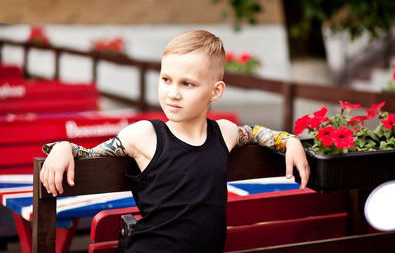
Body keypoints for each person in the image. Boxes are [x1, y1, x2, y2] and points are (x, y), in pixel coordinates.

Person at [40, 29, 310, 253]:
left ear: (215, 91)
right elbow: (89, 155)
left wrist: (289, 141)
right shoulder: (145, 135)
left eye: (187, 84)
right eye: (166, 79)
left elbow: (252, 132)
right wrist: (63, 147)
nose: (172, 93)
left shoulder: (223, 133)